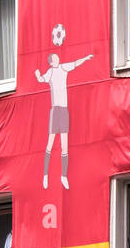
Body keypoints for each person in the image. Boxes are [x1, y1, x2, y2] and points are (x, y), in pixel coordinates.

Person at [36, 52, 92, 190]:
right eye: (54, 58)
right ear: (51, 62)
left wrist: (84, 58)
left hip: (64, 110)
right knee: (50, 143)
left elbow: (74, 63)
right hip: (55, 110)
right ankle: (45, 176)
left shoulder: (63, 68)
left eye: (57, 57)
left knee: (64, 145)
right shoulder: (50, 72)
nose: (57, 58)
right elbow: (41, 79)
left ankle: (64, 176)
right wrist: (38, 75)